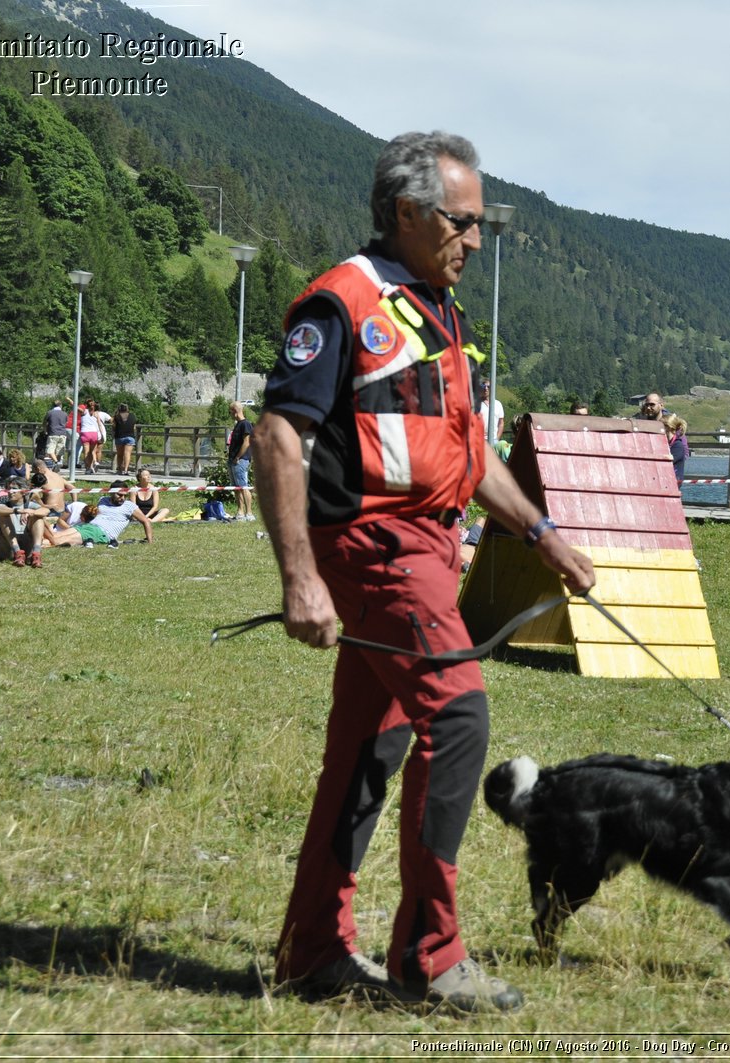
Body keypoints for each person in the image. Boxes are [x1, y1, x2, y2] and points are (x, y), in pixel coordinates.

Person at [256, 130, 595, 1014]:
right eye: (462, 221)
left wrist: (544, 534)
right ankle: (429, 955)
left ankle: (310, 949)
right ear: (405, 212)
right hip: (376, 549)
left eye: (482, 225)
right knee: (462, 716)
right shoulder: (342, 302)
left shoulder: (437, 310)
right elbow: (278, 436)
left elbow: (469, 453)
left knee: (370, 749)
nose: (475, 240)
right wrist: (301, 578)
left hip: (433, 551)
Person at [42, 479, 153, 548]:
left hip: (101, 533)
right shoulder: (103, 500)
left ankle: (36, 544)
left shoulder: (129, 506)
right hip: (87, 526)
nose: (122, 498)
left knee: (58, 540)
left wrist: (149, 541)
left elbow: (145, 521)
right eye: (119, 495)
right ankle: (36, 540)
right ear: (111, 493)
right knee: (55, 536)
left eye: (124, 495)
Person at [227, 400, 255, 521]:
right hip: (233, 460)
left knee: (243, 486)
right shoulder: (238, 424)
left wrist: (238, 457)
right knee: (236, 488)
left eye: (230, 411)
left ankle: (249, 513)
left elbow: (247, 442)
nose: (229, 414)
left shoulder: (246, 424)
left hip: (241, 460)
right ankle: (240, 512)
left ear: (235, 411)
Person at [662, 413, 689, 486]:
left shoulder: (678, 445)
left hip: (674, 482)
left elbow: (670, 460)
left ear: (668, 428)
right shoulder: (665, 443)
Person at [112, 403, 138, 475]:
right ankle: (126, 470)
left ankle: (119, 469)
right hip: (130, 436)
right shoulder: (132, 416)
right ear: (127, 409)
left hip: (119, 436)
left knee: (119, 454)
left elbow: (113, 426)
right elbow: (134, 427)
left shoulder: (116, 416)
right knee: (127, 453)